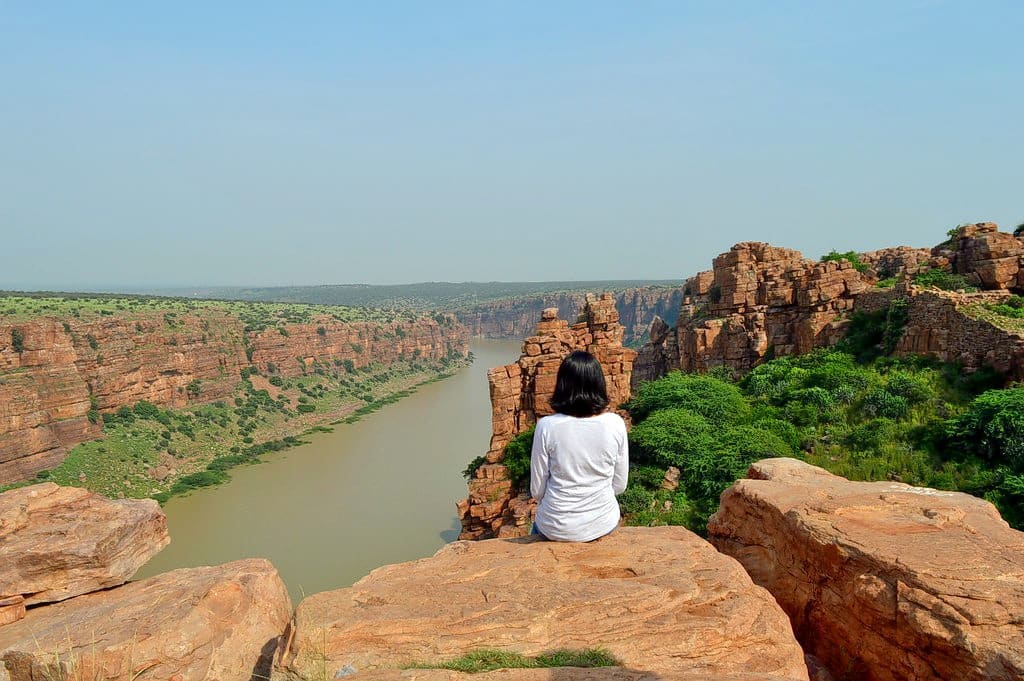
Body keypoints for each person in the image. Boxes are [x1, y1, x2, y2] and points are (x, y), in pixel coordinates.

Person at [530, 350, 628, 542]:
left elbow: (537, 490)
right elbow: (619, 485)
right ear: (599, 385)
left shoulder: (546, 426)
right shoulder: (615, 423)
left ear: (562, 385)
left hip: (555, 527)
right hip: (602, 522)